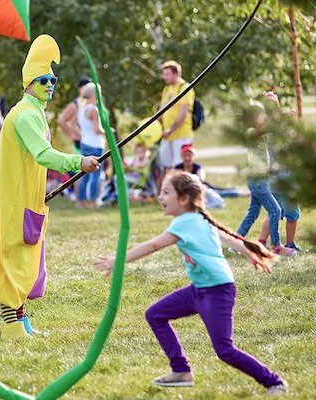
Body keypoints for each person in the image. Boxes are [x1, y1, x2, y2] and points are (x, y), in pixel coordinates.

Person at [94, 171, 287, 396]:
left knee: (225, 350)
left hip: (217, 291)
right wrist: (250, 253)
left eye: (166, 192)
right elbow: (230, 239)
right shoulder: (198, 219)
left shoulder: (185, 221)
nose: (160, 197)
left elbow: (154, 245)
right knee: (155, 314)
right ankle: (181, 371)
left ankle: (274, 382)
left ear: (184, 199)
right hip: (199, 291)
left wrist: (117, 261)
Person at [0, 34, 100, 340]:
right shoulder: (24, 114)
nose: (49, 85)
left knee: (26, 256)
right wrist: (79, 162)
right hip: (12, 198)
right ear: (28, 85)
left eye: (52, 79)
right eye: (43, 80)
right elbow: (43, 154)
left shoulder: (34, 112)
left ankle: (21, 322)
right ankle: (11, 327)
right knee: (13, 257)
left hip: (26, 197)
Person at [236, 101, 296, 256]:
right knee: (275, 210)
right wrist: (282, 115)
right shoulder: (250, 131)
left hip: (260, 180)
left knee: (253, 213)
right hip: (257, 181)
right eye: (261, 114)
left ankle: (235, 242)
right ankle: (276, 246)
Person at [157, 61, 195, 190]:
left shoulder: (185, 88)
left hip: (181, 135)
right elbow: (161, 111)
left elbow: (183, 114)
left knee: (179, 166)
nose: (165, 77)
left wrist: (171, 129)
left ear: (176, 74)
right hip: (167, 136)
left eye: (167, 74)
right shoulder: (167, 89)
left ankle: (181, 191)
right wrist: (156, 127)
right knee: (166, 165)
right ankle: (168, 192)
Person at [76, 82, 106, 208]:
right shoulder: (94, 110)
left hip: (85, 143)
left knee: (84, 174)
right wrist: (108, 130)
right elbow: (97, 130)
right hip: (95, 145)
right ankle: (93, 201)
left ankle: (81, 202)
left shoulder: (81, 108)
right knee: (96, 175)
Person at [174, 144, 224, 209]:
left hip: (200, 187)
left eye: (189, 155)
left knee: (220, 192)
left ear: (193, 156)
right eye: (185, 155)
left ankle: (238, 192)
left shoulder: (197, 167)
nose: (187, 158)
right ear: (181, 156)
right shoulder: (177, 168)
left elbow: (201, 179)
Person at [57, 77, 91, 152]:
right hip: (80, 144)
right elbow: (61, 120)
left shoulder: (91, 103)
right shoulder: (75, 104)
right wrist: (71, 135)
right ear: (80, 89)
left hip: (92, 142)